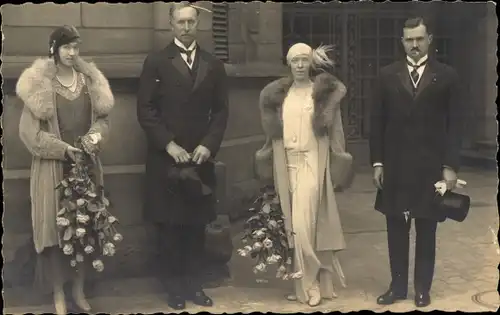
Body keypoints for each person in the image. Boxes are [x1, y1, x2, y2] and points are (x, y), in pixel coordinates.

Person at [16, 25, 115, 314]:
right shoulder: (40, 85)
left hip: (85, 165)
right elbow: (28, 134)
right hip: (53, 171)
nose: (72, 53)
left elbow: (103, 121)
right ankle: (58, 293)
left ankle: (79, 290)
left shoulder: (89, 81)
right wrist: (62, 149)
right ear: (55, 50)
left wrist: (94, 138)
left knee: (84, 226)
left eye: (76, 47)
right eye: (66, 47)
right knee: (56, 230)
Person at [136, 2, 228, 311]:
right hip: (167, 160)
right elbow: (145, 111)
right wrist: (169, 145)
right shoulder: (157, 62)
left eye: (191, 21)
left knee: (195, 226)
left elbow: (221, 111)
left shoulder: (213, 64)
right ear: (171, 24)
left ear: (198, 23)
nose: (186, 27)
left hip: (200, 158)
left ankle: (194, 285)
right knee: (170, 228)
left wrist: (209, 144)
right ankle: (174, 288)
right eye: (180, 22)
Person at [370, 17, 463, 308]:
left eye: (419, 39)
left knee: (426, 228)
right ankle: (397, 288)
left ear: (429, 39)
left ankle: (422, 289)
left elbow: (455, 124)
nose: (414, 45)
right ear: (402, 41)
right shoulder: (387, 75)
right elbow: (377, 122)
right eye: (409, 39)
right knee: (396, 227)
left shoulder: (447, 75)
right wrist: (377, 163)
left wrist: (449, 165)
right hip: (395, 166)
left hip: (430, 166)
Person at [255, 43, 349, 307]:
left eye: (304, 60)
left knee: (302, 223)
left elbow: (336, 134)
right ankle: (301, 286)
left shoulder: (320, 95)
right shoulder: (278, 96)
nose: (299, 65)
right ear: (288, 63)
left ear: (311, 64)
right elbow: (271, 136)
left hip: (311, 162)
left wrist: (339, 163)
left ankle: (312, 283)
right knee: (293, 228)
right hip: (286, 165)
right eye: (295, 60)